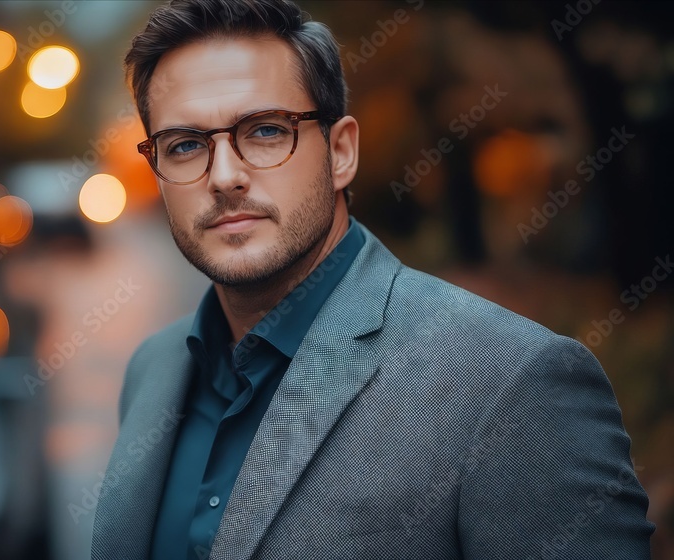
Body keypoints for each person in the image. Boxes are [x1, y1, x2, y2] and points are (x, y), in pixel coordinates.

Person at [90, 0, 655, 558]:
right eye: (186, 145)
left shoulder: (512, 383)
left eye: (265, 131)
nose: (226, 176)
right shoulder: (153, 370)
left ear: (340, 152)